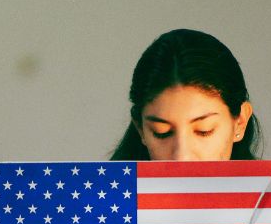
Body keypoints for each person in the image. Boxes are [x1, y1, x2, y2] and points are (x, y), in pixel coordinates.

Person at [111, 29, 262, 161]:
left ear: (240, 122)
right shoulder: (111, 193)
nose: (182, 157)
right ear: (140, 129)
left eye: (204, 131)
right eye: (161, 133)